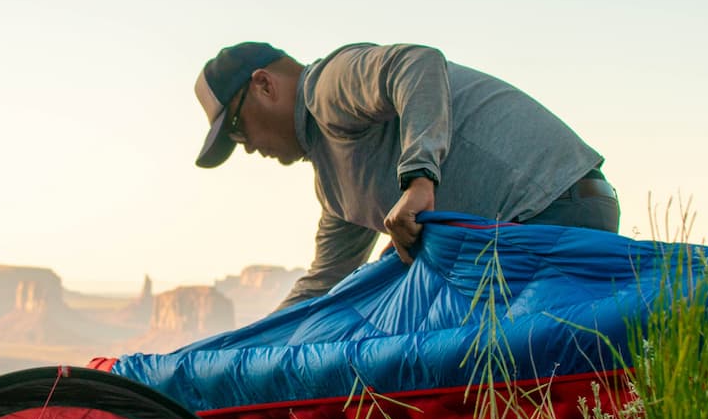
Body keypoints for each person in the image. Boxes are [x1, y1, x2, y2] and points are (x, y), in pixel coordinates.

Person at [193, 41, 619, 309]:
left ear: (265, 85)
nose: (245, 146)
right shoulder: (336, 187)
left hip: (550, 206)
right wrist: (246, 346)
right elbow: (323, 283)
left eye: (236, 129)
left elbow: (417, 64)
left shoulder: (325, 86)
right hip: (531, 229)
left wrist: (419, 179)